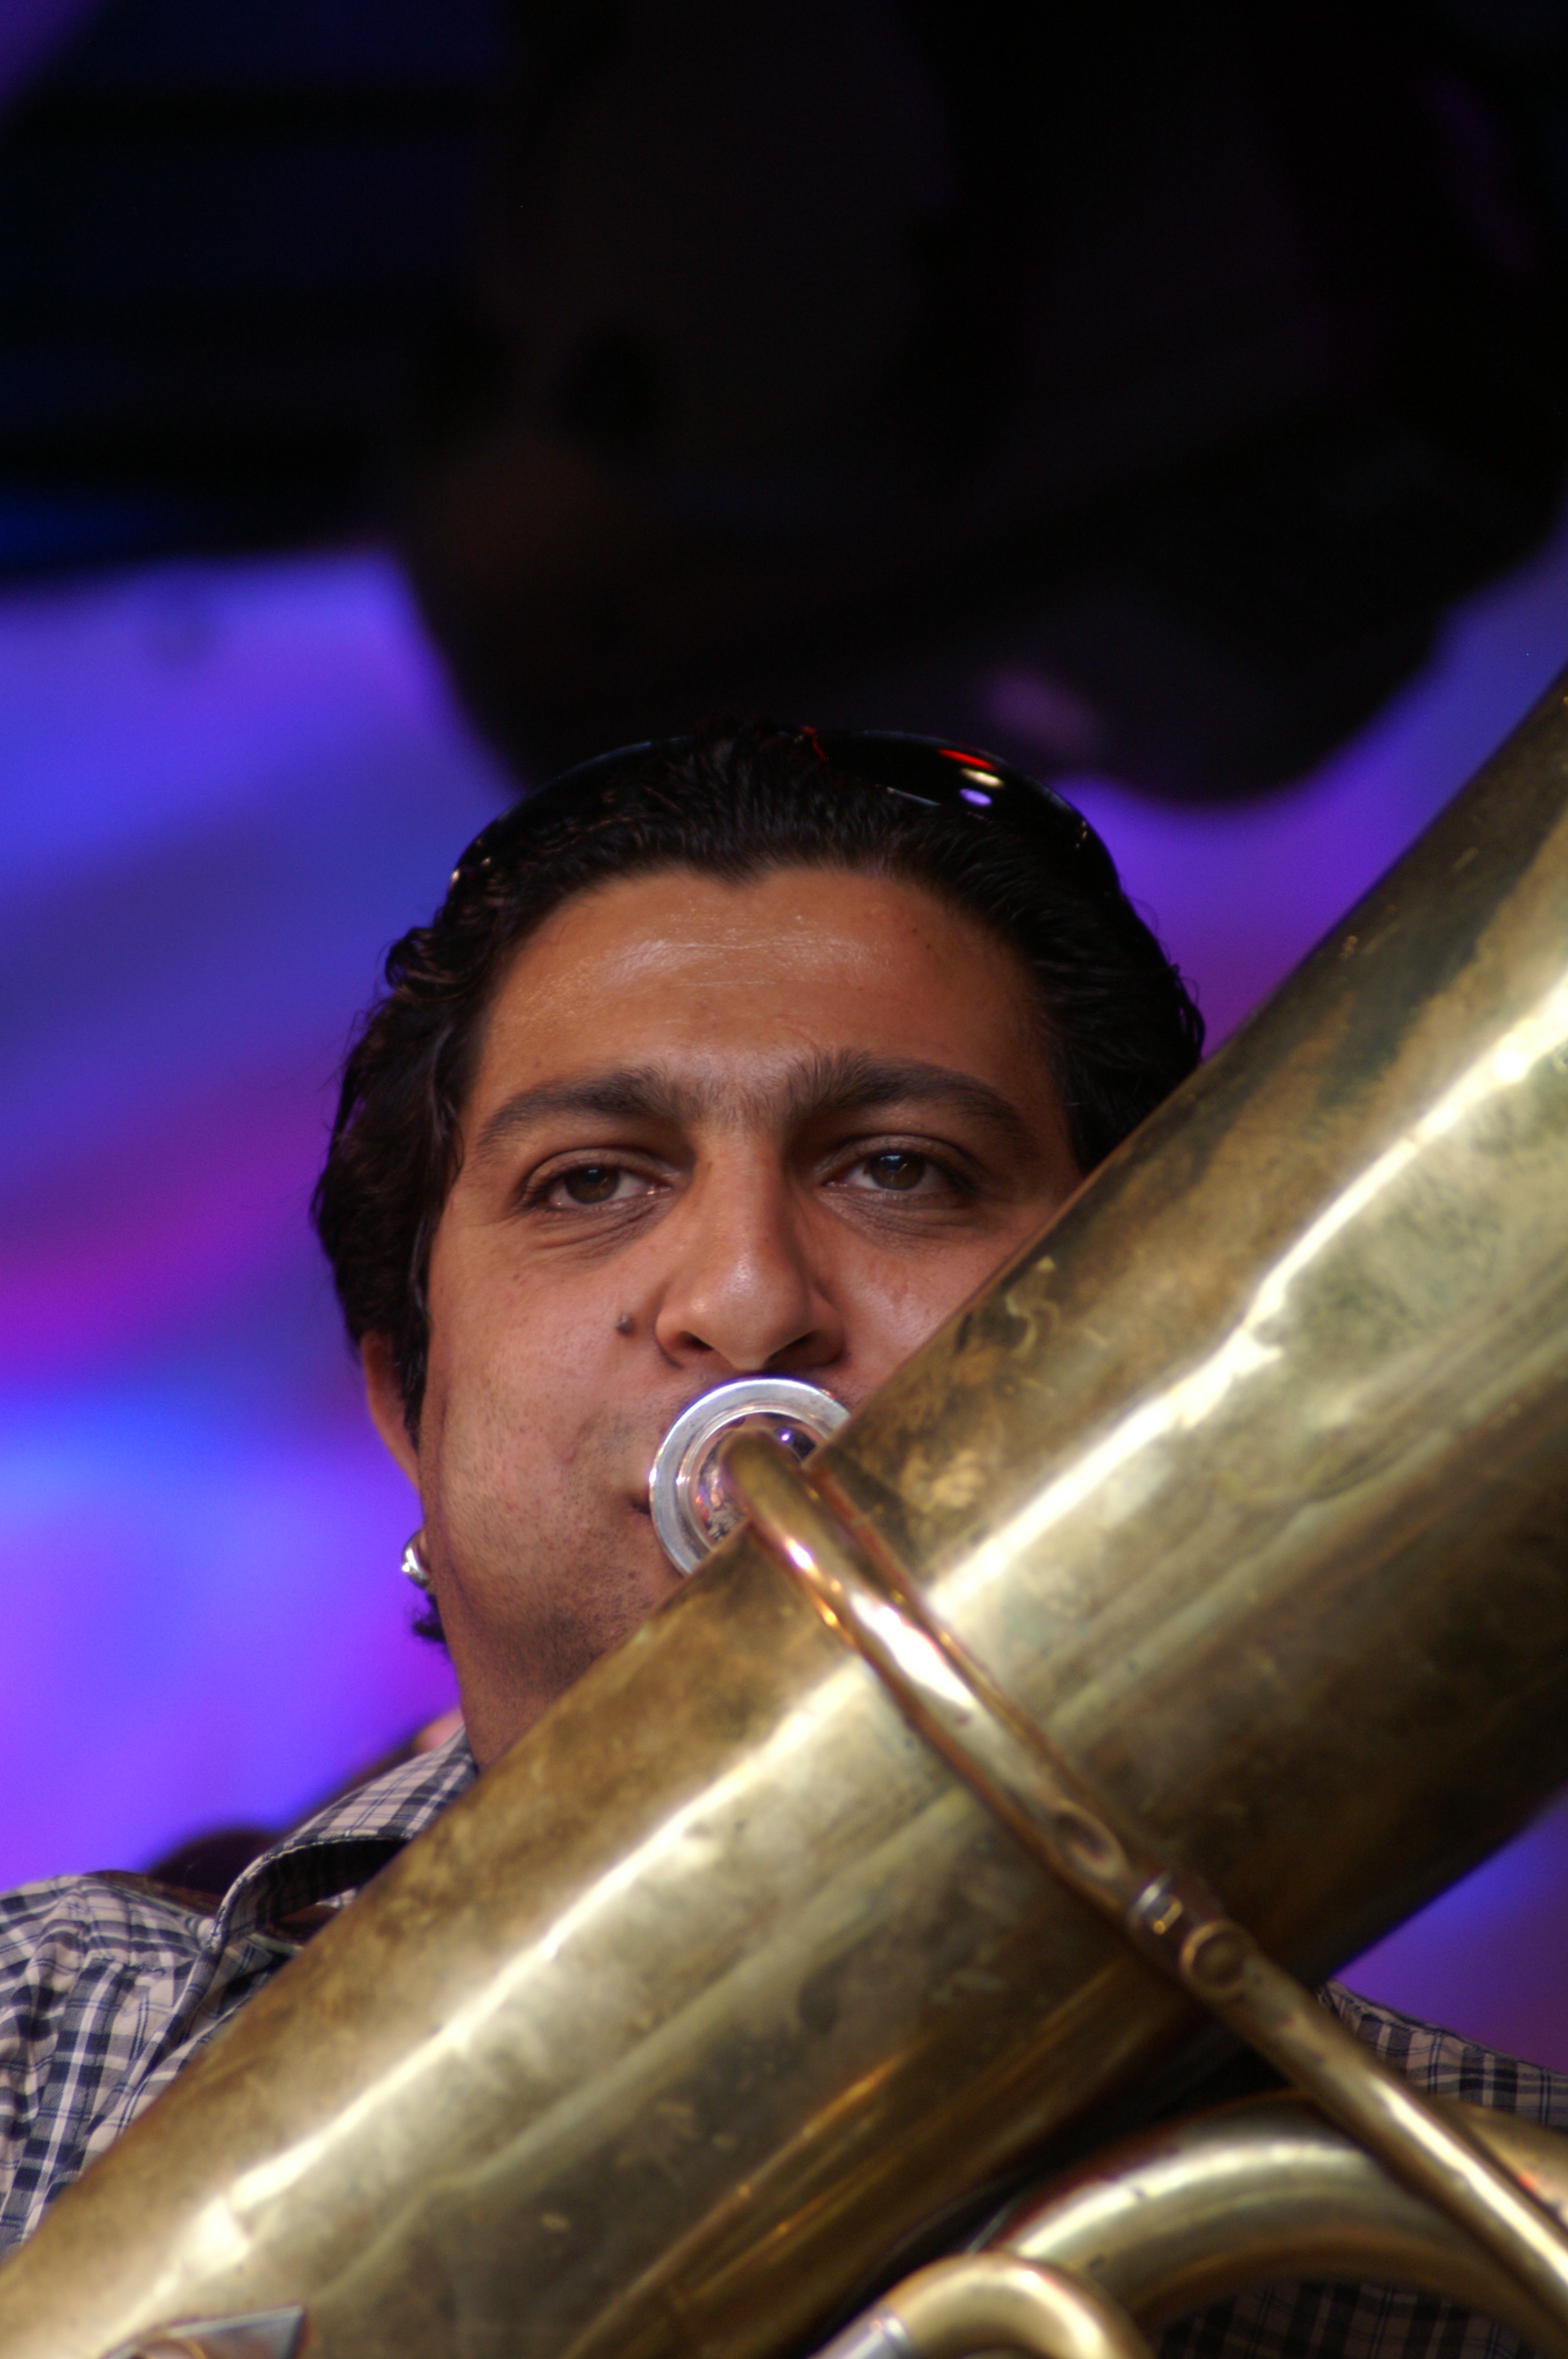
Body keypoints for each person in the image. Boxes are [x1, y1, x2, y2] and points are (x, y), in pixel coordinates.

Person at [1, 720, 1563, 2359]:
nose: (746, 1298)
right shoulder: (35, 2043)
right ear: (408, 1405)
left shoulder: (1490, 2233)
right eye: (590, 1182)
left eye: (902, 1168)